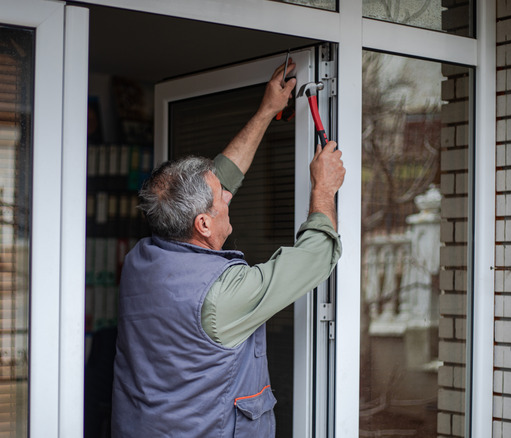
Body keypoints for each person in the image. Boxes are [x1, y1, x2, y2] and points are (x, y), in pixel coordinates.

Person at [111, 60, 346, 437]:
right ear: (203, 224)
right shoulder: (221, 297)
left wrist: (267, 110)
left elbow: (223, 175)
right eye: (222, 196)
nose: (229, 192)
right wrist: (323, 189)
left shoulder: (140, 259)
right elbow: (316, 256)